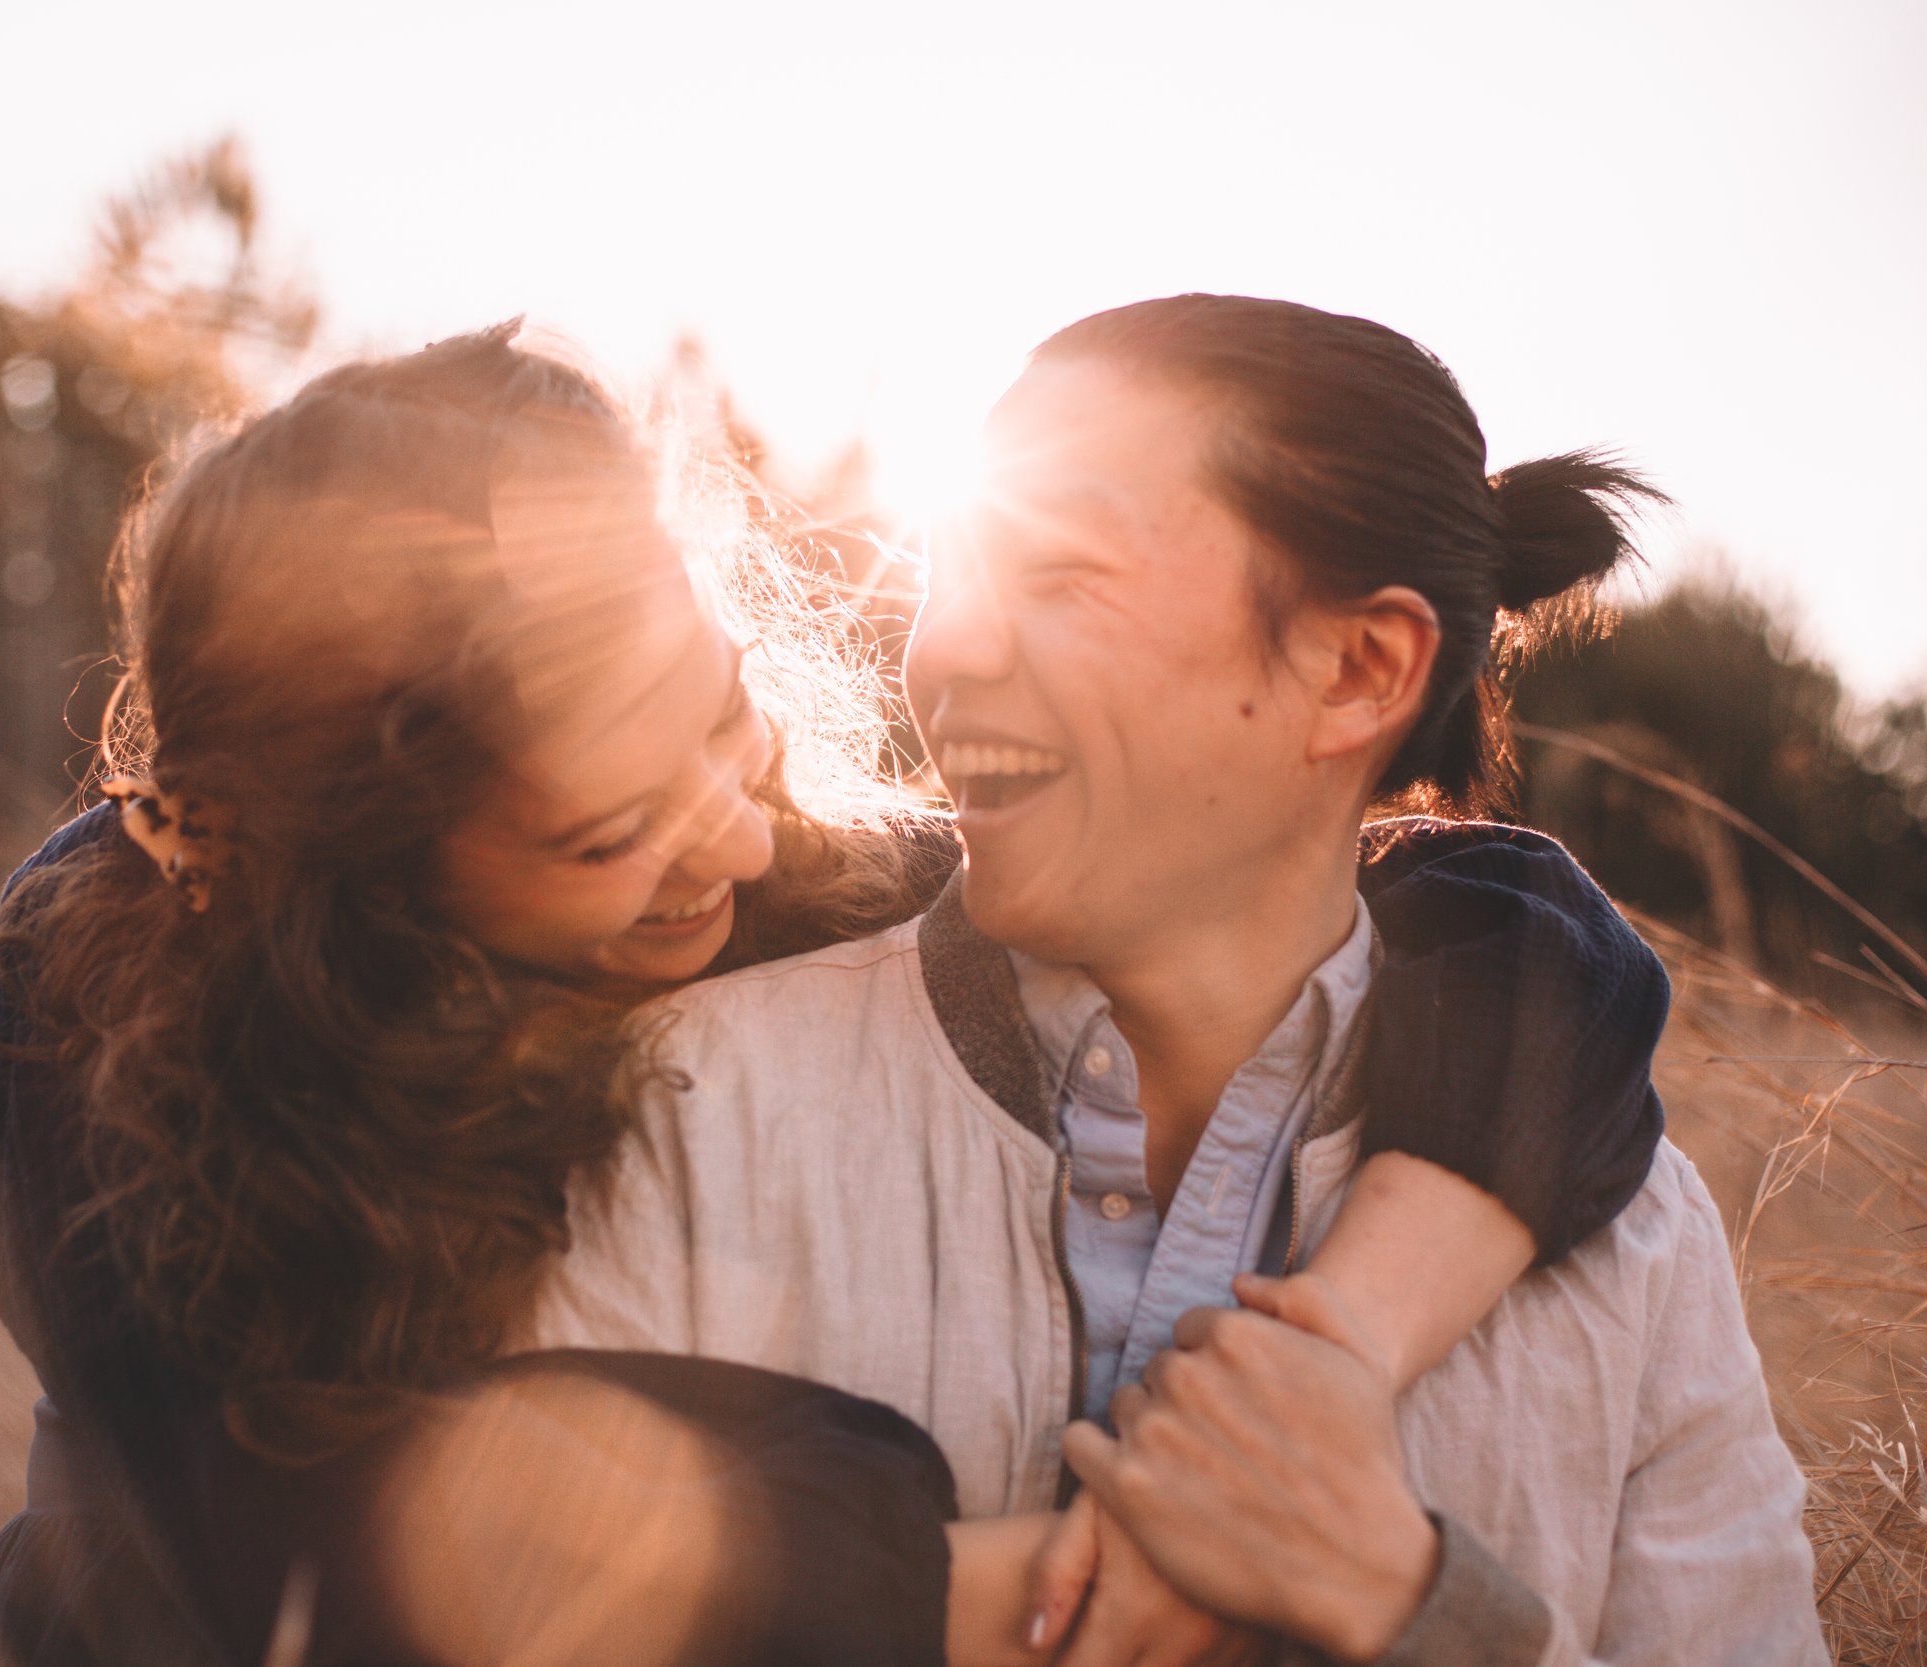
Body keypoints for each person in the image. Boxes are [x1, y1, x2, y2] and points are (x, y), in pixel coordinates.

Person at [0, 320, 1670, 1667]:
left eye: (724, 712)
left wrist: (1338, 1352)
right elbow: (283, 1528)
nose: (739, 847)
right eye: (614, 830)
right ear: (357, 898)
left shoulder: (781, 874)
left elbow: (1497, 922)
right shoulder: (106, 1017)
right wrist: (1013, 1571)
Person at [534, 295, 1828, 1665]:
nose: (947, 652)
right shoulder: (683, 1113)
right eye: (950, 572)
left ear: (1358, 667)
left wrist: (1411, 1604)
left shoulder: (1633, 1246)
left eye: (1061, 578)